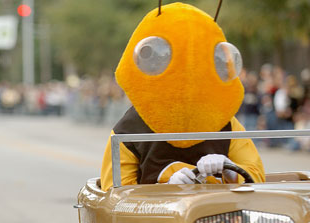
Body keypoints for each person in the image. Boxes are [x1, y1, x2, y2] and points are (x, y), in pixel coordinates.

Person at [100, 2, 265, 191]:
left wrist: (230, 170)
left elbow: (257, 176)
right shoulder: (128, 131)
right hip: (156, 220)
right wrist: (165, 190)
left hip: (221, 217)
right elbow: (114, 194)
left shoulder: (227, 125)